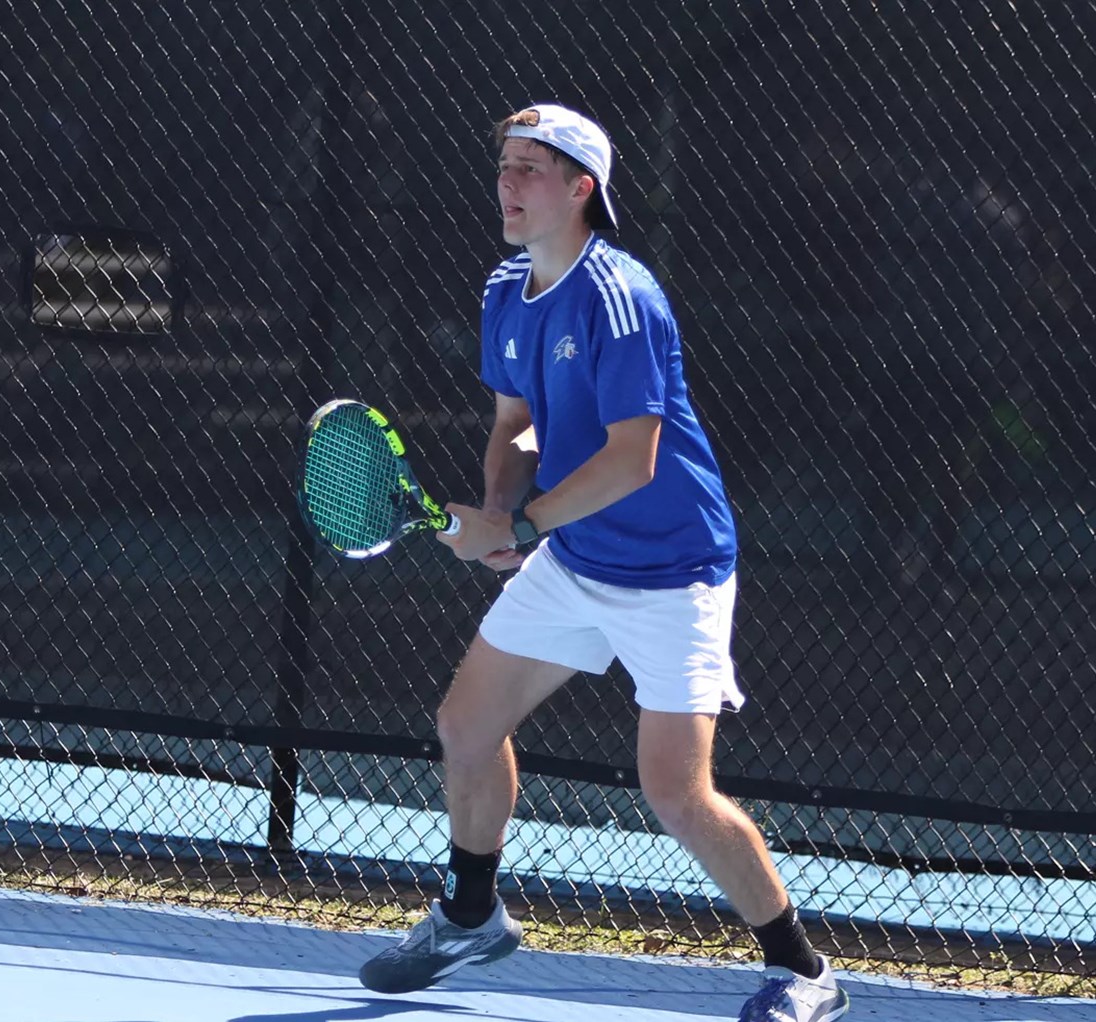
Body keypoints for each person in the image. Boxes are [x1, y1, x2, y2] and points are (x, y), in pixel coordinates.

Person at [354, 104, 850, 1022]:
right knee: (466, 723)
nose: (508, 185)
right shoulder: (506, 288)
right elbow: (516, 425)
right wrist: (501, 512)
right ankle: (470, 914)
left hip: (674, 569)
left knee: (675, 790)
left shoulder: (622, 295)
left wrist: (527, 524)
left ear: (583, 188)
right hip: (574, 556)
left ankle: (805, 973)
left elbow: (635, 458)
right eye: (503, 166)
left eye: (531, 170)